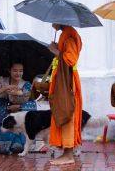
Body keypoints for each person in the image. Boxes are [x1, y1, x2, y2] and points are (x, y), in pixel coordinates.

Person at [47, 24, 82, 165]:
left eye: (53, 20)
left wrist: (55, 51)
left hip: (67, 79)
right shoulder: (66, 34)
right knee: (62, 111)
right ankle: (66, 152)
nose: (52, 23)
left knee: (67, 112)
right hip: (63, 77)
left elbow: (70, 59)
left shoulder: (69, 36)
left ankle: (68, 155)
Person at [0, 61, 37, 154]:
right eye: (15, 70)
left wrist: (19, 107)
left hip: (20, 124)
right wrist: (5, 88)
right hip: (4, 122)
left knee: (18, 147)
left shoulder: (26, 84)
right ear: (9, 71)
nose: (18, 73)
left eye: (21, 71)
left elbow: (33, 105)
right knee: (0, 147)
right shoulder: (2, 80)